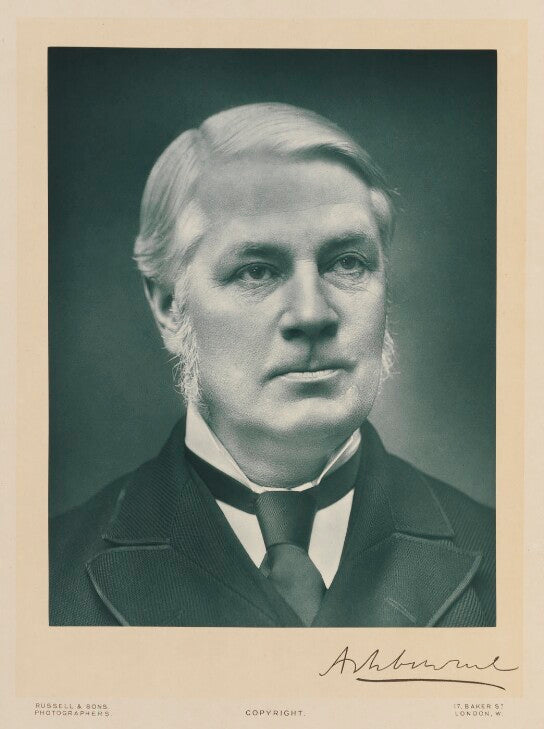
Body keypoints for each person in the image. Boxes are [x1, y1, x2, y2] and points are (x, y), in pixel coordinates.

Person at [49, 103, 495, 627]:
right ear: (169, 305)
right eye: (257, 271)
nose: (312, 314)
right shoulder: (43, 580)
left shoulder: (511, 561)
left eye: (347, 263)